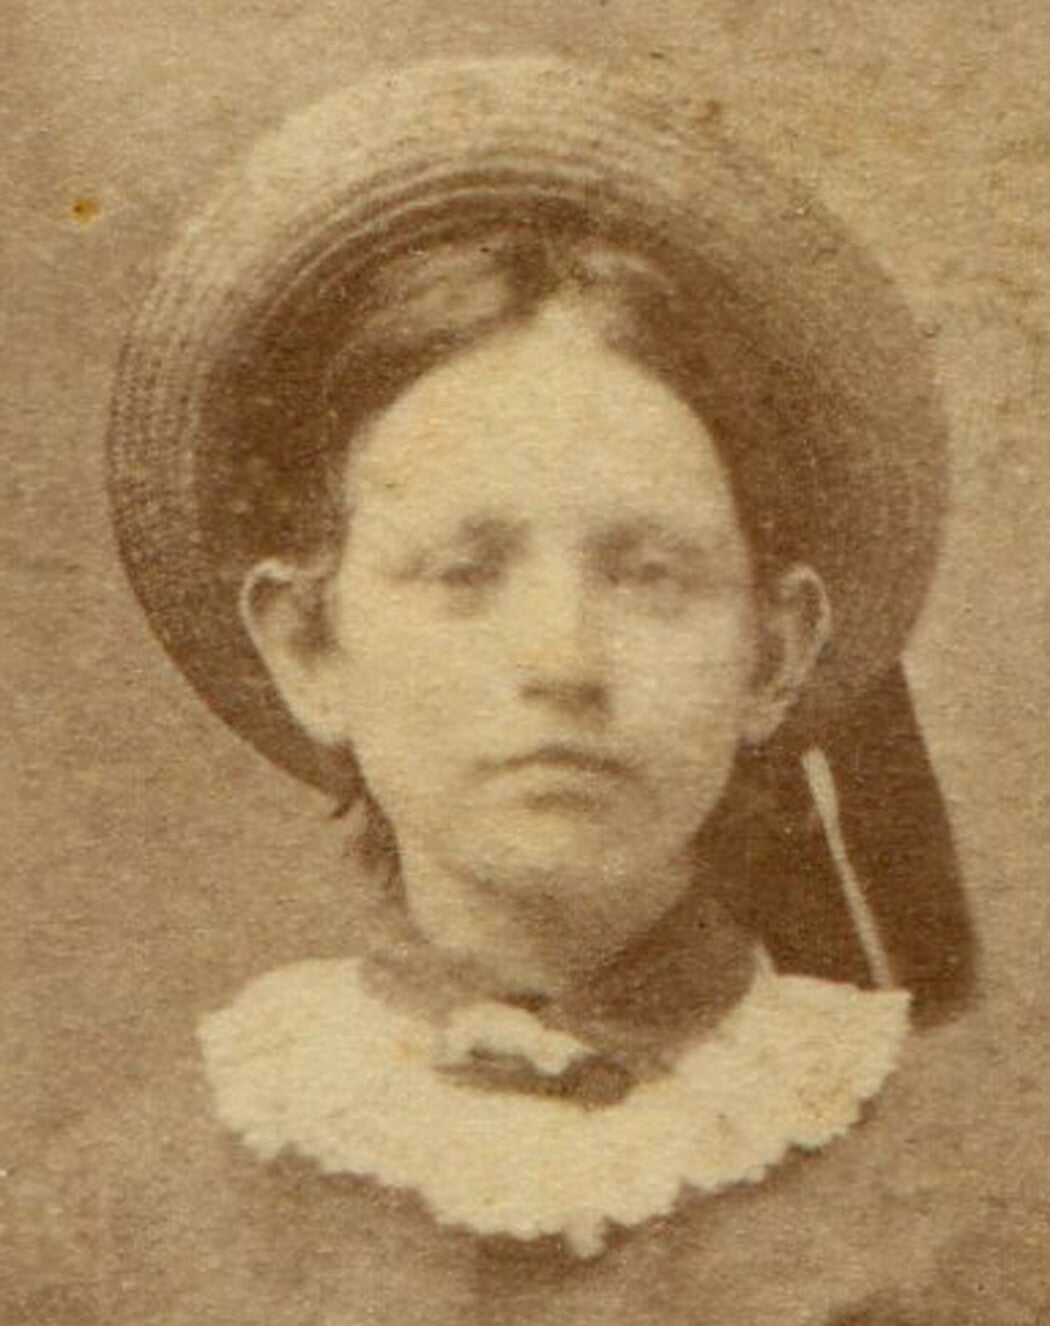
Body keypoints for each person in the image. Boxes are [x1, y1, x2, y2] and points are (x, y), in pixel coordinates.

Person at [8, 56, 1035, 1326]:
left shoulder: (988, 1211)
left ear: (771, 653)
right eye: (464, 571)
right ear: (308, 645)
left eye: (650, 573)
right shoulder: (112, 1230)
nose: (561, 661)